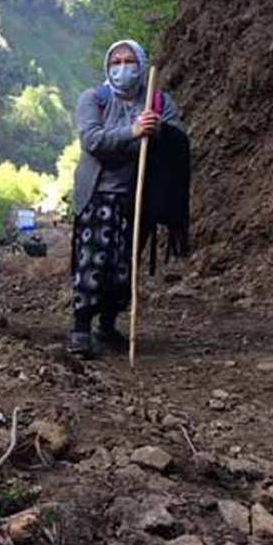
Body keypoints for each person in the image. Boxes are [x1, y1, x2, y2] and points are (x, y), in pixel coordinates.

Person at [68, 39, 184, 357]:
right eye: (116, 61)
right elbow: (92, 139)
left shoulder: (157, 101)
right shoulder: (93, 99)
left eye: (129, 61)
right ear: (108, 66)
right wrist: (132, 132)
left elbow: (178, 139)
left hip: (139, 196)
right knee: (94, 261)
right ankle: (81, 327)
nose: (123, 67)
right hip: (98, 193)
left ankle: (108, 324)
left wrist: (158, 130)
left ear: (141, 64)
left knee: (125, 265)